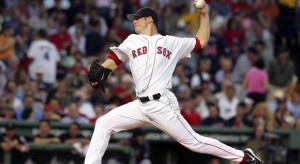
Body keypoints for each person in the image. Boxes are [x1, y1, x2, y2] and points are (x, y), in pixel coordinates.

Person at [85, 4, 263, 164]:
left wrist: (204, 15)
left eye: (137, 18)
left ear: (149, 19)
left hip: (161, 103)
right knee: (103, 124)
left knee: (194, 142)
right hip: (140, 105)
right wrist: (101, 72)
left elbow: (201, 41)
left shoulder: (172, 42)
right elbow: (114, 60)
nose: (134, 22)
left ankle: (243, 157)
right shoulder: (132, 40)